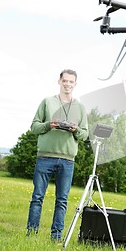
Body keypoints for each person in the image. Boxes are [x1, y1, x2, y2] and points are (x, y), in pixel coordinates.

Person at [26, 69, 89, 241]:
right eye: (65, 81)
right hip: (44, 157)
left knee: (62, 200)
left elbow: (84, 134)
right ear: (59, 82)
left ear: (75, 84)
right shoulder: (47, 102)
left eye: (71, 82)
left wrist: (76, 130)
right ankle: (31, 233)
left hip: (67, 160)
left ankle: (56, 236)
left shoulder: (80, 107)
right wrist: (49, 125)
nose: (67, 84)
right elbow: (34, 127)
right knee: (37, 197)